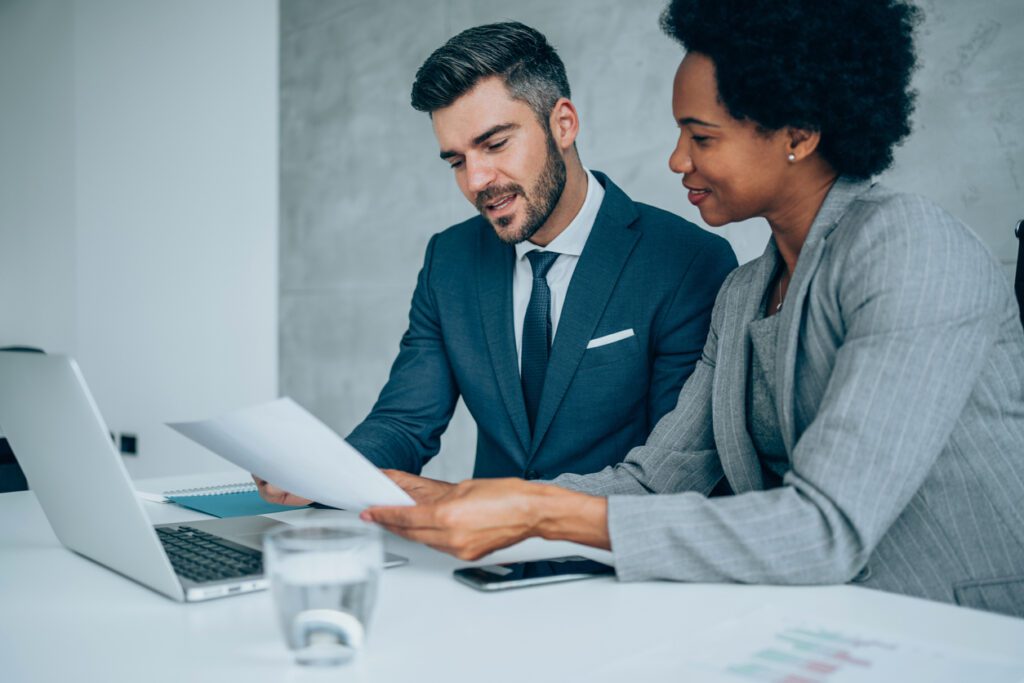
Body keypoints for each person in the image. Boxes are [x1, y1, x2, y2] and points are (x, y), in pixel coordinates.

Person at [363, 0, 1024, 618]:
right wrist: (471, 498)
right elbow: (656, 481)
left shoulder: (911, 245)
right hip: (831, 616)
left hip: (957, 623)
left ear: (797, 132)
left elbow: (826, 528)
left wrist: (537, 509)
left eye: (700, 136)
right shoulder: (744, 292)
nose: (677, 158)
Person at [256, 22, 736, 505]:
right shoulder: (450, 261)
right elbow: (404, 421)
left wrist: (497, 509)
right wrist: (323, 471)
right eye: (456, 161)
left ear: (563, 124)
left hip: (617, 563)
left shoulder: (686, 261)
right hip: (484, 567)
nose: (477, 180)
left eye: (495, 144)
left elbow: (672, 470)